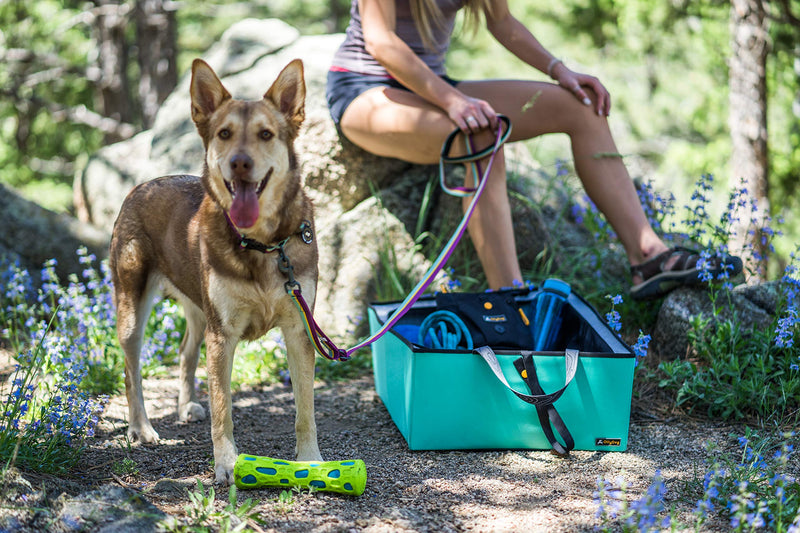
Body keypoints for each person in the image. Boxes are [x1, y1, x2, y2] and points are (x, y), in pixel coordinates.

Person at [326, 0, 741, 300]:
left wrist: (561, 72)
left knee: (583, 108)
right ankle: (509, 298)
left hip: (434, 86)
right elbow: (380, 41)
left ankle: (648, 255)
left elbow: (502, 22)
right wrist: (454, 102)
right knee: (481, 137)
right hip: (366, 88)